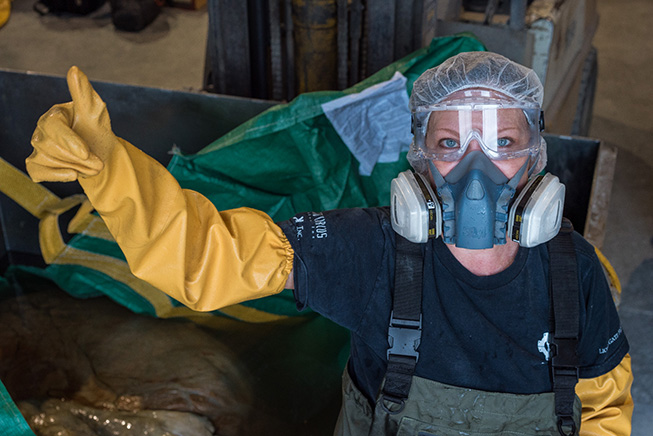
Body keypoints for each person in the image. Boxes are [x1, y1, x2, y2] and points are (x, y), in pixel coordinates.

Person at [26, 51, 633, 436]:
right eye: (451, 146)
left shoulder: (571, 272)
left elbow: (604, 402)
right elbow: (211, 258)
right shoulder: (370, 250)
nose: (477, 174)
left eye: (502, 145)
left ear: (535, 162)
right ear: (419, 159)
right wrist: (109, 169)